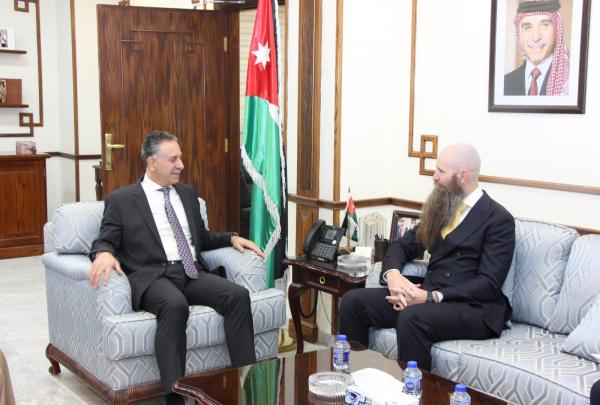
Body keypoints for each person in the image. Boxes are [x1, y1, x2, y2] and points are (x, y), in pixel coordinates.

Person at [88, 130, 263, 405]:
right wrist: (104, 254)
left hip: (190, 272)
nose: (180, 165)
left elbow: (201, 238)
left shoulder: (187, 193)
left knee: (237, 296)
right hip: (153, 277)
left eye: (180, 158)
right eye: (173, 159)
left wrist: (230, 238)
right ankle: (175, 399)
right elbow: (105, 239)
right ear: (152, 162)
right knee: (175, 305)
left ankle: (245, 386)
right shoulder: (122, 200)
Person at [339, 144, 515, 370]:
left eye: (440, 171)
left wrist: (431, 297)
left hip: (472, 308)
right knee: (353, 302)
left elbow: (488, 284)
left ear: (462, 176)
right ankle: (355, 379)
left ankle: (414, 389)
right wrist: (393, 276)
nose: (434, 176)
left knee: (412, 318)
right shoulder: (443, 208)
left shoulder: (498, 219)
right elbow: (402, 246)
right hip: (426, 295)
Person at [504, 0, 570, 96]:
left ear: (557, 31)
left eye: (544, 25)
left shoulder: (569, 81)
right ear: (520, 35)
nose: (535, 38)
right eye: (528, 27)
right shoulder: (505, 83)